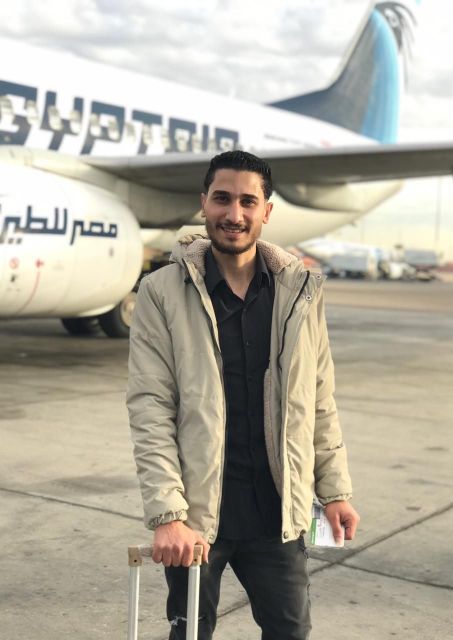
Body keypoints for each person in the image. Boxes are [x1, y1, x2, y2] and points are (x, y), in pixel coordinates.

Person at [127, 150, 359, 640]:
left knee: (290, 633)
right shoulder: (161, 292)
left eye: (248, 201)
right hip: (198, 518)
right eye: (222, 199)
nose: (234, 214)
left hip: (278, 515)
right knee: (190, 635)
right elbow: (151, 408)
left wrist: (335, 491)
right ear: (204, 204)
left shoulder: (300, 292)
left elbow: (319, 401)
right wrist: (169, 515)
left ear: (266, 211)